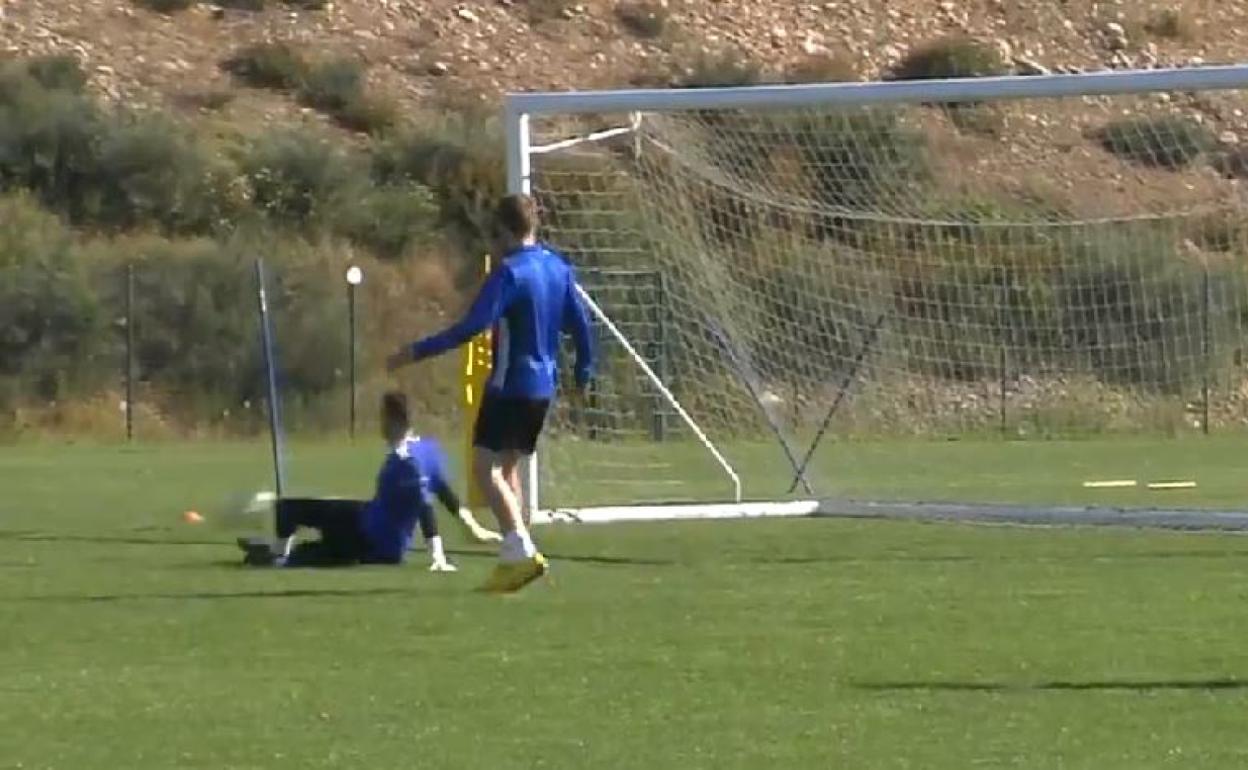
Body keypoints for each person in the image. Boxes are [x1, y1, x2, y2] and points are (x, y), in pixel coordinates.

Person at [387, 192, 594, 593]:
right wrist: (584, 371)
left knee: (485, 471)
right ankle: (517, 556)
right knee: (508, 469)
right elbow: (582, 326)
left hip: (509, 386)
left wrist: (416, 351)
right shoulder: (558, 267)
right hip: (543, 389)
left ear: (501, 232)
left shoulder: (510, 274)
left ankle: (520, 552)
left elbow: (471, 328)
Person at [238, 391, 501, 570]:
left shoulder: (404, 460)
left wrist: (438, 556)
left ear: (393, 420)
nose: (380, 424)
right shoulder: (427, 449)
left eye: (382, 417)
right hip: (366, 518)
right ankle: (277, 551)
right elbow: (444, 491)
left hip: (372, 541)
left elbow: (425, 505)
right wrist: (472, 527)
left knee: (306, 551)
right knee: (292, 508)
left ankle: (279, 557)